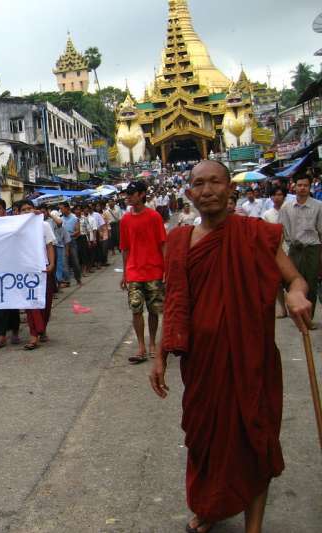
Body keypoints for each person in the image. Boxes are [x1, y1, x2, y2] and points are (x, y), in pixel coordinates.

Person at [151, 160, 312, 533]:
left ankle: (253, 526)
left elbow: (296, 279)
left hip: (250, 359)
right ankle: (210, 506)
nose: (207, 190)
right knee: (205, 441)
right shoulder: (178, 242)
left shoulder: (256, 234)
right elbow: (174, 303)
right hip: (202, 366)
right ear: (188, 192)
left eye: (215, 182)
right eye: (198, 184)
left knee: (255, 439)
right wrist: (159, 356)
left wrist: (297, 295)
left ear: (230, 189)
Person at [120, 181, 166, 365]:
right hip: (134, 271)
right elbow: (125, 248)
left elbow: (163, 243)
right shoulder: (125, 220)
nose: (128, 197)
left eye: (131, 193)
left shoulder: (154, 217)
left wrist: (166, 269)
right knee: (136, 309)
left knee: (154, 310)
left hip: (154, 270)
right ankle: (141, 346)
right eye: (127, 194)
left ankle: (153, 343)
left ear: (142, 194)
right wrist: (124, 273)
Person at [279, 172, 322, 323]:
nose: (303, 188)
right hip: (294, 249)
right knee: (291, 282)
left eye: (306, 185)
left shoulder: (318, 206)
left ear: (310, 187)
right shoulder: (286, 207)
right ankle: (297, 314)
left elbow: (321, 231)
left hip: (312, 248)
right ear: (294, 186)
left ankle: (308, 318)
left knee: (310, 283)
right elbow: (281, 231)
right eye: (300, 185)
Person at [18, 200, 56, 349]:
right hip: (26, 270)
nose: (27, 211)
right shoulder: (17, 228)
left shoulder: (44, 225)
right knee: (31, 304)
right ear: (18, 213)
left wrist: (51, 264)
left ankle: (42, 328)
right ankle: (34, 335)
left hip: (43, 268)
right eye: (24, 210)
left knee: (45, 302)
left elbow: (49, 245)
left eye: (29, 208)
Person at [0, 197, 20, 347]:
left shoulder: (13, 223)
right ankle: (1, 335)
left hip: (12, 268)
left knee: (13, 303)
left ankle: (15, 332)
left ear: (4, 210)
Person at [263, 187, 289, 319]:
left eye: (280, 194)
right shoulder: (267, 214)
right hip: (274, 250)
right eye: (275, 195)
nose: (278, 197)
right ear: (271, 197)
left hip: (290, 248)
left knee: (291, 279)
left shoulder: (290, 210)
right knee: (278, 281)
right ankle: (283, 308)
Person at [60, 203, 82, 287]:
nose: (61, 210)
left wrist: (69, 235)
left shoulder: (74, 218)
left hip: (72, 241)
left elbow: (78, 231)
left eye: (62, 208)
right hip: (63, 242)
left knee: (75, 261)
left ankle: (78, 278)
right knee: (64, 262)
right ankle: (67, 280)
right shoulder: (61, 219)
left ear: (67, 208)